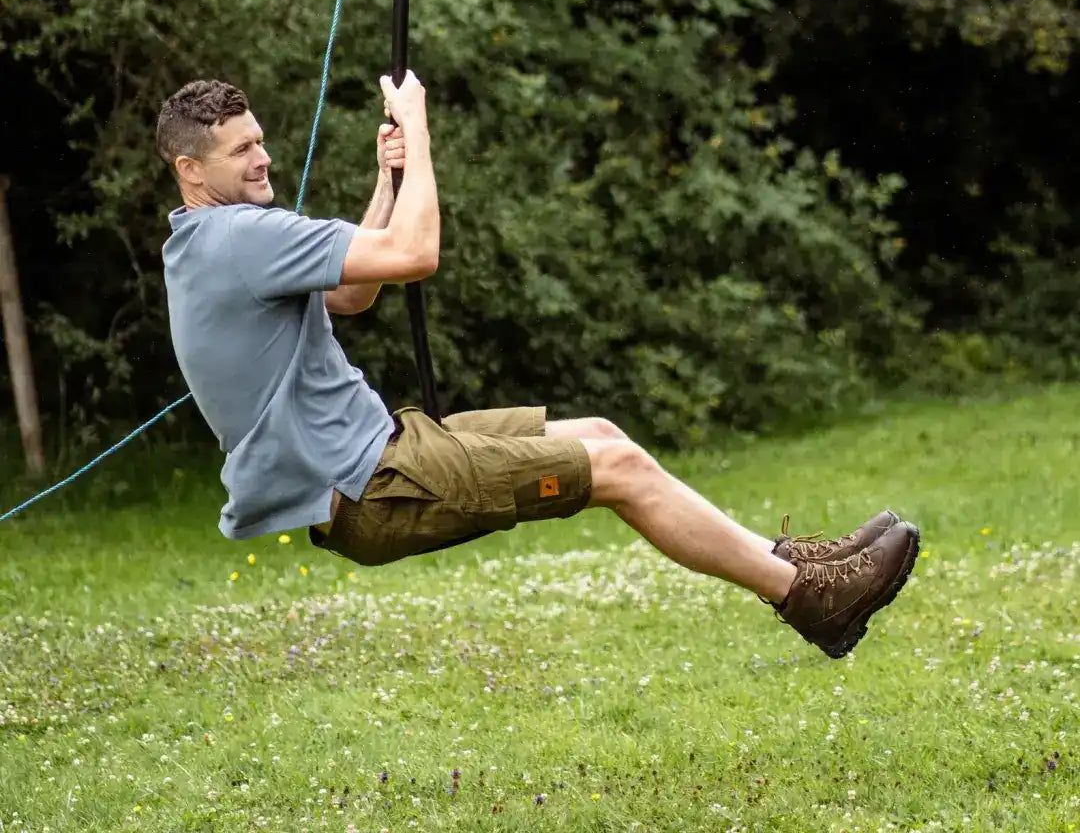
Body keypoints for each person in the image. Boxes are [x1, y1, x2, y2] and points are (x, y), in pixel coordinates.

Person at [158, 71, 920, 661]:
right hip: (375, 489)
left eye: (259, 140)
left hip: (388, 451)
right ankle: (807, 597)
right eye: (242, 150)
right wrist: (418, 133)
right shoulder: (240, 239)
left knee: (597, 432)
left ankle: (787, 560)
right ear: (191, 170)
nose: (264, 158)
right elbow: (415, 257)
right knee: (618, 466)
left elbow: (354, 292)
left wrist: (387, 180)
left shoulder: (209, 244)